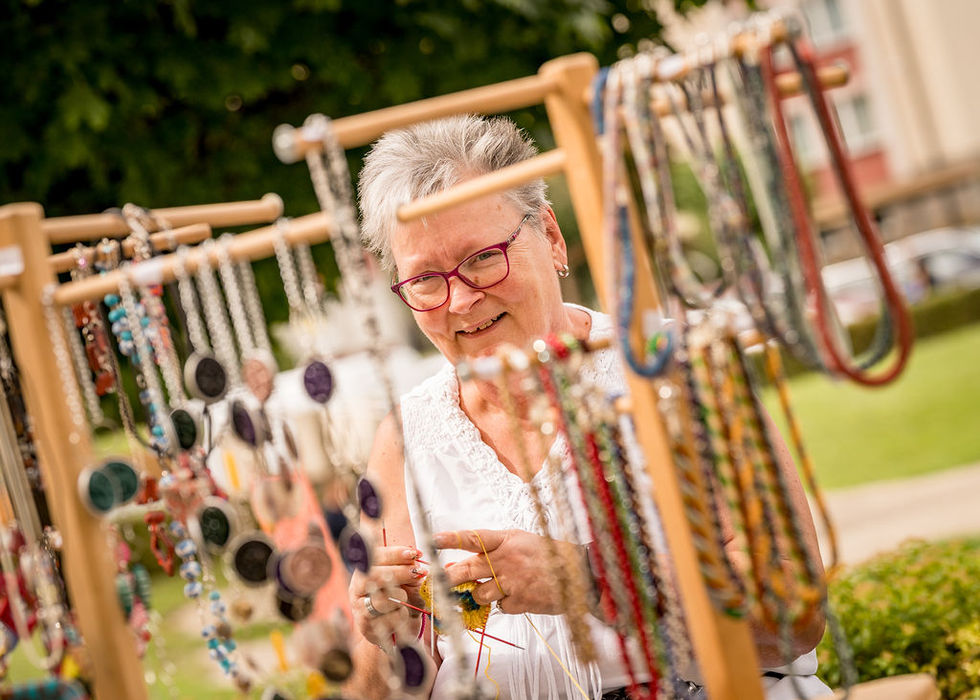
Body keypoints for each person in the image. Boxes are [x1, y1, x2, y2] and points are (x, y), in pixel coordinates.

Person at [345, 114, 831, 699]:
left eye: (482, 258)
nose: (461, 299)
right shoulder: (404, 436)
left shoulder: (670, 369)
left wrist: (591, 580)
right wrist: (388, 639)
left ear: (551, 236)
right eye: (425, 279)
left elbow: (795, 615)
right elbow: (374, 690)